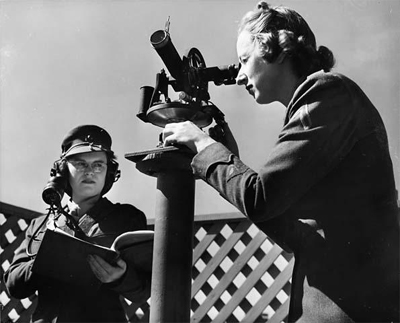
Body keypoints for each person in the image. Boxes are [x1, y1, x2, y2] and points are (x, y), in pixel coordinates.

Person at [162, 2, 399, 323]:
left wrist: (202, 144)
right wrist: (226, 159)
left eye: (245, 59)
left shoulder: (327, 93)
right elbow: (294, 233)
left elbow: (261, 199)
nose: (240, 73)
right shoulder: (326, 103)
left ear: (276, 48)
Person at [4, 125, 151, 323]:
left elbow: (144, 290)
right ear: (64, 171)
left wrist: (120, 276)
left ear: (109, 172)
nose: (90, 171)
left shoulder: (127, 217)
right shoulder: (40, 224)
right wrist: (44, 260)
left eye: (98, 164)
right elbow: (14, 285)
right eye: (81, 164)